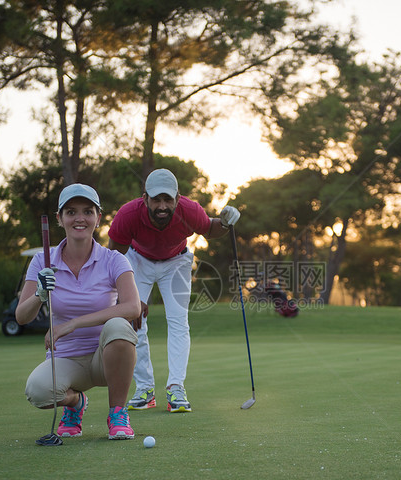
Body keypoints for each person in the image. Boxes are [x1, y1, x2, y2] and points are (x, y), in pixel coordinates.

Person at [108, 168, 240, 413]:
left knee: (178, 321)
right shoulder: (128, 214)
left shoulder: (190, 210)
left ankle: (176, 387)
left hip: (176, 262)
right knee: (133, 322)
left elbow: (211, 229)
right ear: (144, 197)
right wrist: (127, 297)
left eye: (167, 199)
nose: (162, 206)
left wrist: (226, 221)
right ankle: (145, 389)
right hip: (137, 260)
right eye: (156, 199)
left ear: (178, 198)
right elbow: (114, 256)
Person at [17, 183, 142, 439]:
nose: (79, 218)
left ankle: (118, 413)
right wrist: (39, 296)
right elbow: (22, 317)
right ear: (60, 219)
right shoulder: (42, 260)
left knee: (119, 325)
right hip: (67, 359)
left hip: (104, 358)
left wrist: (72, 324)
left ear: (98, 217)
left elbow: (132, 307)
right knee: (38, 391)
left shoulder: (114, 260)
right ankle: (75, 404)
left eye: (87, 211)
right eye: (71, 212)